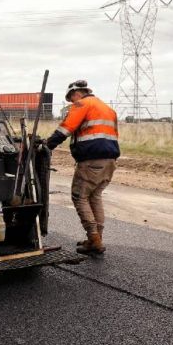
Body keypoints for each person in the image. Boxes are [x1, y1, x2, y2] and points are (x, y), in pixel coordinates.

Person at [45, 80, 120, 255]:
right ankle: (96, 238)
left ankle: (94, 240)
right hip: (110, 160)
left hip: (91, 160)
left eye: (71, 98)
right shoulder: (107, 108)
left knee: (80, 197)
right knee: (95, 197)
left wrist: (47, 146)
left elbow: (66, 129)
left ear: (76, 93)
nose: (71, 102)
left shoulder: (82, 104)